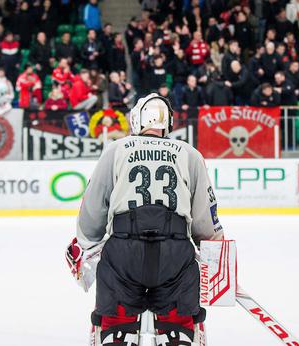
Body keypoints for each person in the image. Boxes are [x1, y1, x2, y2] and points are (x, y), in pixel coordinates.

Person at [66, 93, 222, 346]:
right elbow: (206, 218)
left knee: (116, 326)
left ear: (136, 120)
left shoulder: (116, 149)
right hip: (176, 255)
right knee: (178, 326)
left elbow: (92, 209)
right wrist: (216, 254)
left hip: (123, 255)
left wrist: (87, 243)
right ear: (168, 123)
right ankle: (177, 333)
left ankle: (117, 333)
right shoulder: (189, 153)